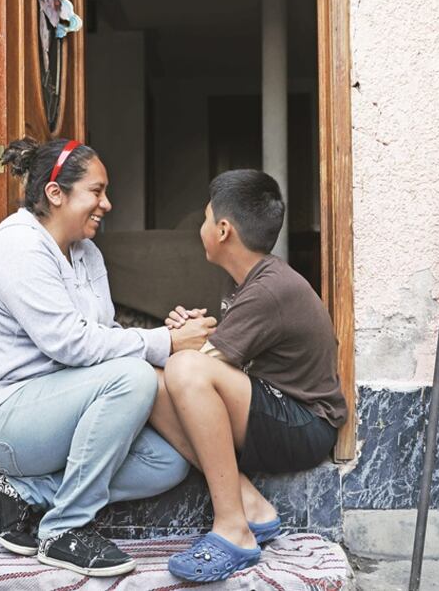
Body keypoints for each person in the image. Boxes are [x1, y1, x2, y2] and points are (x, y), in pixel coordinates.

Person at [0, 137, 215, 577]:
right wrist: (165, 343)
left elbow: (102, 336)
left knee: (166, 462)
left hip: (58, 408)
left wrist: (171, 338)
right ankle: (65, 530)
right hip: (4, 418)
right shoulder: (19, 247)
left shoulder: (86, 252)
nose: (106, 204)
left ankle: (26, 494)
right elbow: (71, 344)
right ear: (56, 193)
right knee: (134, 378)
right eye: (97, 191)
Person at [148, 169, 347, 583]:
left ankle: (233, 530)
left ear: (223, 230)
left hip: (306, 423)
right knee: (153, 383)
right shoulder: (250, 280)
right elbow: (222, 354)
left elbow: (199, 364)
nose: (201, 227)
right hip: (276, 410)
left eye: (205, 218)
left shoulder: (269, 288)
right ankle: (251, 504)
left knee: (183, 369)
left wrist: (182, 342)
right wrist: (187, 334)